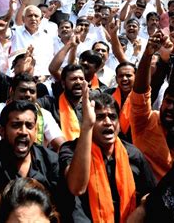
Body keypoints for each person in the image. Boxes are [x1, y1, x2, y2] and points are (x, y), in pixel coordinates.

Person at [60, 85, 156, 222]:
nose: (108, 122)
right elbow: (76, 188)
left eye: (112, 117)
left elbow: (151, 194)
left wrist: (140, 211)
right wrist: (87, 126)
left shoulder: (133, 154)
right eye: (99, 117)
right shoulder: (70, 150)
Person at [129, 32, 174, 180]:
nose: (170, 108)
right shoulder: (147, 121)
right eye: (168, 101)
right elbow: (140, 91)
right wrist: (148, 54)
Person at [10, 73, 65, 151]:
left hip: (36, 161)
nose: (28, 94)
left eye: (32, 92)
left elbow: (61, 145)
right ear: (12, 92)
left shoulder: (44, 115)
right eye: (23, 90)